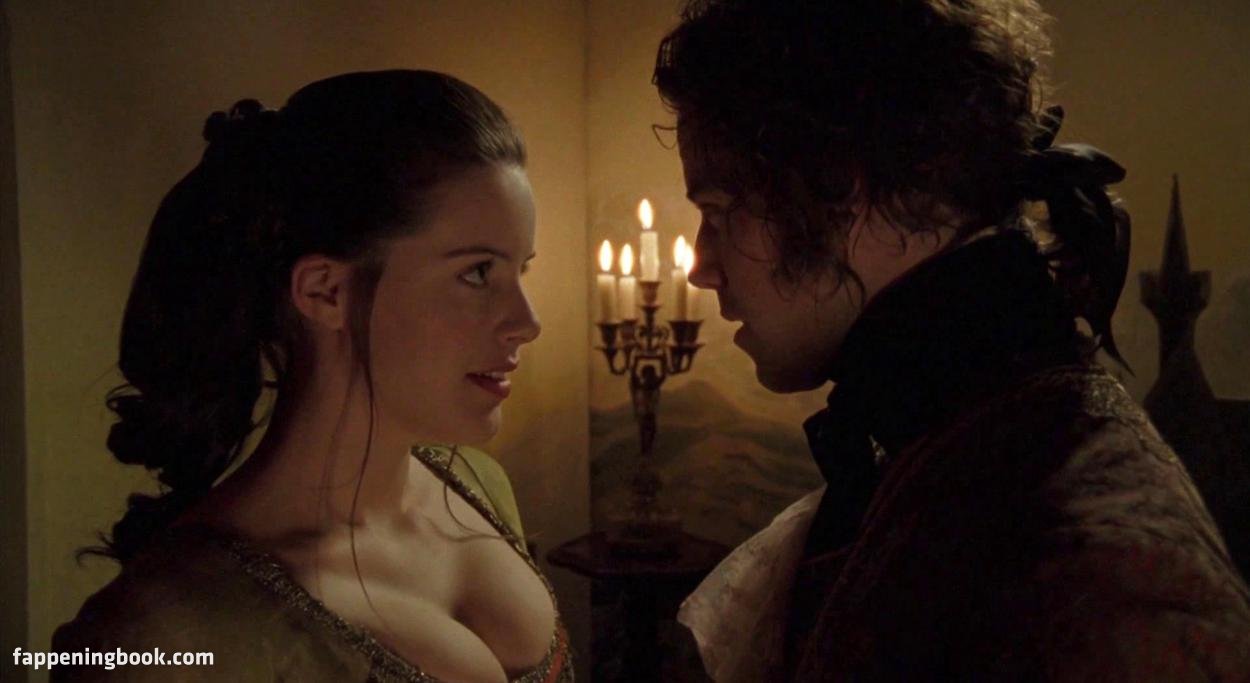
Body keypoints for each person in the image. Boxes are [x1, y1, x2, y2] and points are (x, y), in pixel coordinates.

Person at [654, 1, 1250, 680]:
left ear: (846, 187)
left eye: (719, 211)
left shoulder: (1089, 563)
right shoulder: (967, 433)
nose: (701, 266)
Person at [51, 70, 572, 683]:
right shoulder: (157, 632)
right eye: (478, 273)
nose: (527, 324)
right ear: (326, 291)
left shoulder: (478, 484)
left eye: (521, 270)